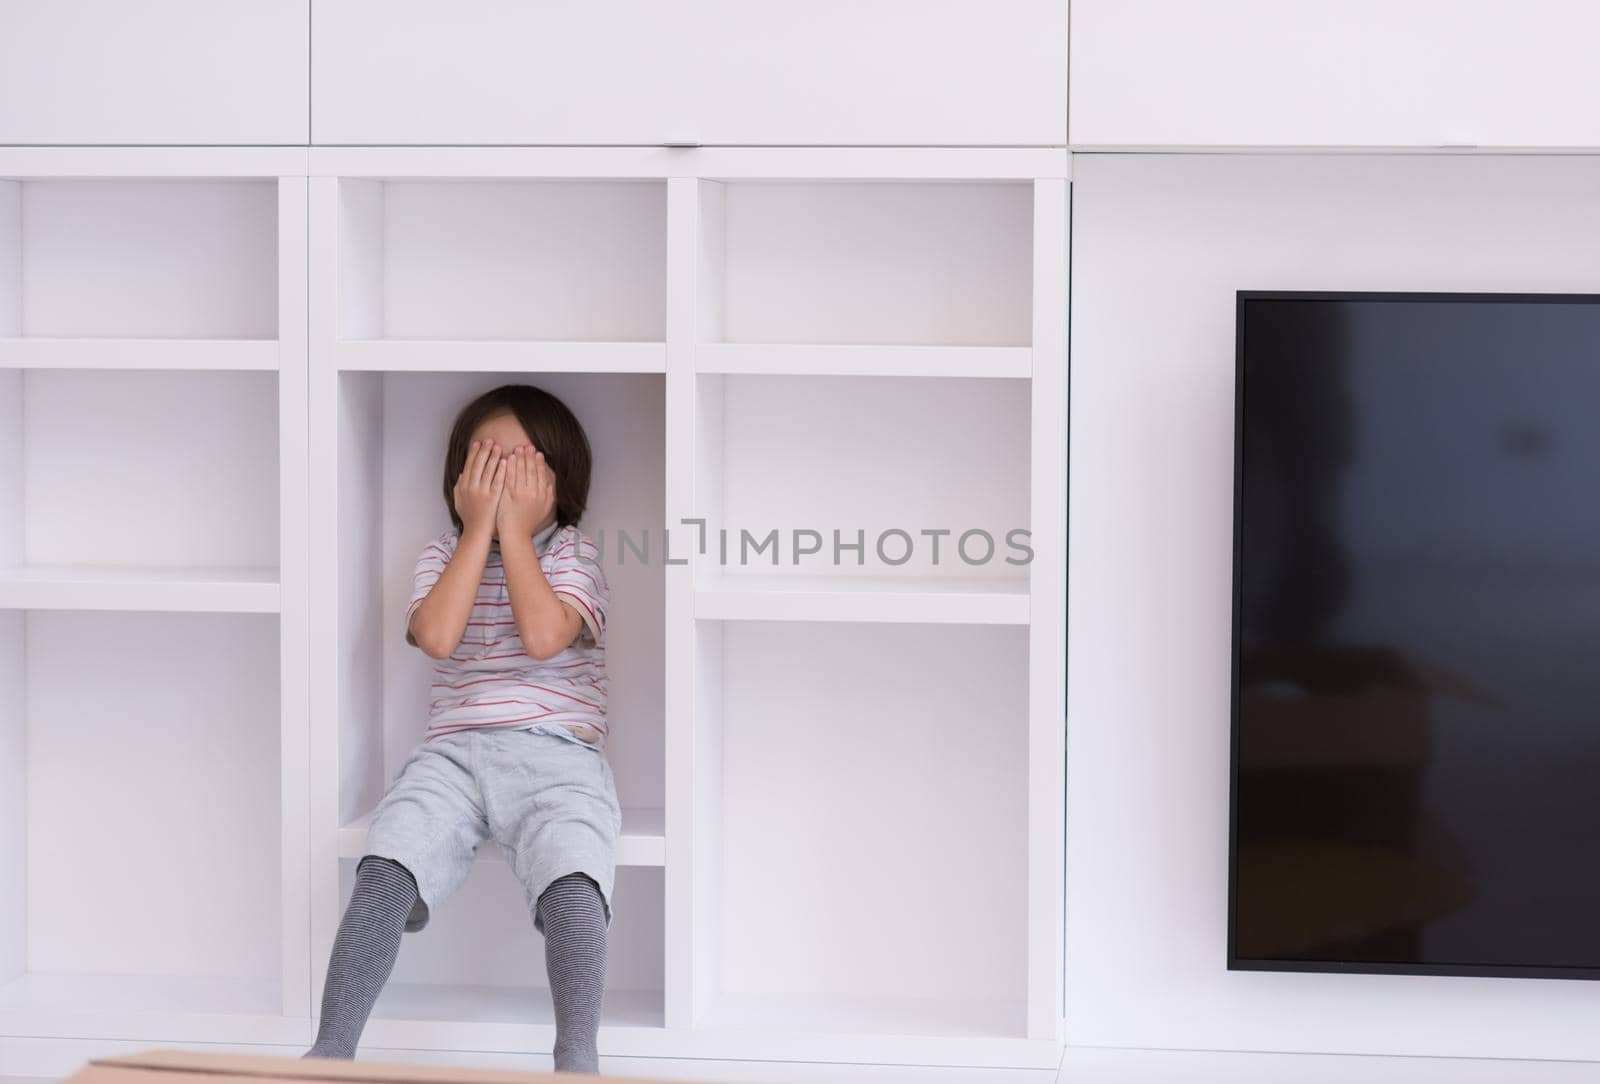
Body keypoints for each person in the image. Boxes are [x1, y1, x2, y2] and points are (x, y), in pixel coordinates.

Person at [307, 384, 618, 1074]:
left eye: (522, 463)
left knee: (574, 878)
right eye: (488, 461)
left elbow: (543, 637)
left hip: (559, 756)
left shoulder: (574, 555)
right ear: (458, 477)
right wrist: (479, 531)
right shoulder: (441, 557)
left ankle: (577, 1058)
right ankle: (329, 1053)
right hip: (452, 756)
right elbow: (439, 638)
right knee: (385, 866)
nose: (504, 477)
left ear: (558, 478)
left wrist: (514, 532)